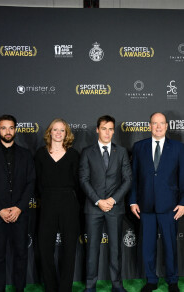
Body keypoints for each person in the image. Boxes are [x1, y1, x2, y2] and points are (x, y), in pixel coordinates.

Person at [129, 112, 184, 292]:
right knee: (148, 246)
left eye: (161, 123)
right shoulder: (139, 147)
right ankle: (151, 280)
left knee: (170, 245)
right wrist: (133, 201)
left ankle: (173, 280)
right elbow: (134, 177)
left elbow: (183, 177)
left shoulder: (178, 148)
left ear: (167, 126)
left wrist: (183, 203)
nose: (158, 127)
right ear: (149, 126)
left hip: (170, 206)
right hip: (145, 206)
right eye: (154, 123)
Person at [0, 114, 35, 292]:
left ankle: (19, 289)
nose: (7, 131)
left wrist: (19, 207)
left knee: (21, 254)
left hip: (20, 213)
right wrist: (0, 209)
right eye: (3, 128)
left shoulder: (26, 154)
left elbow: (31, 182)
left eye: (11, 128)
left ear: (15, 130)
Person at [79, 115, 132, 292]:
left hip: (115, 207)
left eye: (111, 129)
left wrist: (112, 200)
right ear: (97, 129)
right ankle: (90, 285)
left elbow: (127, 180)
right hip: (93, 208)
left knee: (115, 250)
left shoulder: (122, 151)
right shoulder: (87, 152)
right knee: (92, 250)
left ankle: (117, 285)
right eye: (104, 128)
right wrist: (98, 201)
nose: (107, 132)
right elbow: (84, 180)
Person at [35, 118, 80, 292]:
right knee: (45, 249)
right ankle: (51, 287)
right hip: (47, 202)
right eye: (55, 130)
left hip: (69, 202)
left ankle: (65, 288)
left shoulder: (74, 154)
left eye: (62, 130)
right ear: (50, 132)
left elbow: (77, 182)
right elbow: (37, 182)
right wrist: (46, 196)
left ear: (66, 133)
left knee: (69, 250)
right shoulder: (40, 154)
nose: (59, 133)